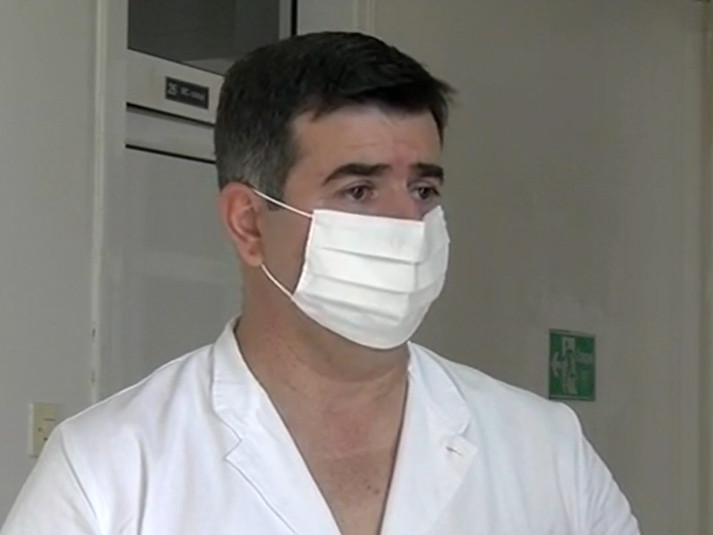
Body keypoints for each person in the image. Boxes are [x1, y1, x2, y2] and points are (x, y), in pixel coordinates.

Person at [1, 31, 640, 535]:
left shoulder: (545, 451)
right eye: (359, 190)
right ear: (249, 223)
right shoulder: (110, 471)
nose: (409, 223)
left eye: (423, 189)